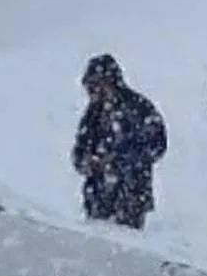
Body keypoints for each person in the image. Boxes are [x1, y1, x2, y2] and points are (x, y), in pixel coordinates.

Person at [71, 53, 168, 230]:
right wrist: (86, 162)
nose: (91, 91)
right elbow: (80, 148)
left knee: (126, 242)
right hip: (98, 198)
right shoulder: (93, 114)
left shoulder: (139, 108)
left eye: (95, 85)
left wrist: (117, 159)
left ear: (109, 81)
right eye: (89, 86)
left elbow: (157, 145)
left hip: (130, 195)